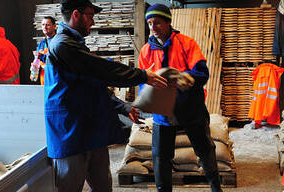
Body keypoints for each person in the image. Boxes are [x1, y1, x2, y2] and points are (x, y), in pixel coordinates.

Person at [44, 0, 168, 191]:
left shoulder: (74, 45)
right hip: (71, 135)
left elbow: (93, 85)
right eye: (90, 16)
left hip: (90, 133)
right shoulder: (62, 46)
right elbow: (101, 70)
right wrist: (142, 76)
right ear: (76, 15)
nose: (93, 22)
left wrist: (124, 107)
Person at [138, 3, 223, 192]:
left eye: (157, 23)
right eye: (150, 23)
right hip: (163, 113)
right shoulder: (146, 51)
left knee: (205, 150)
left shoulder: (186, 43)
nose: (153, 28)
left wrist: (186, 79)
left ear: (168, 22)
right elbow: (143, 82)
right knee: (160, 156)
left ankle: (216, 187)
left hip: (191, 109)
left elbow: (202, 73)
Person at [31, 16, 57, 85]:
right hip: (44, 78)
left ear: (54, 26)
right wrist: (35, 65)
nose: (44, 27)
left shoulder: (58, 42)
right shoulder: (42, 43)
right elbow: (38, 60)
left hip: (55, 77)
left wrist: (42, 57)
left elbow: (57, 60)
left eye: (47, 25)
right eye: (43, 25)